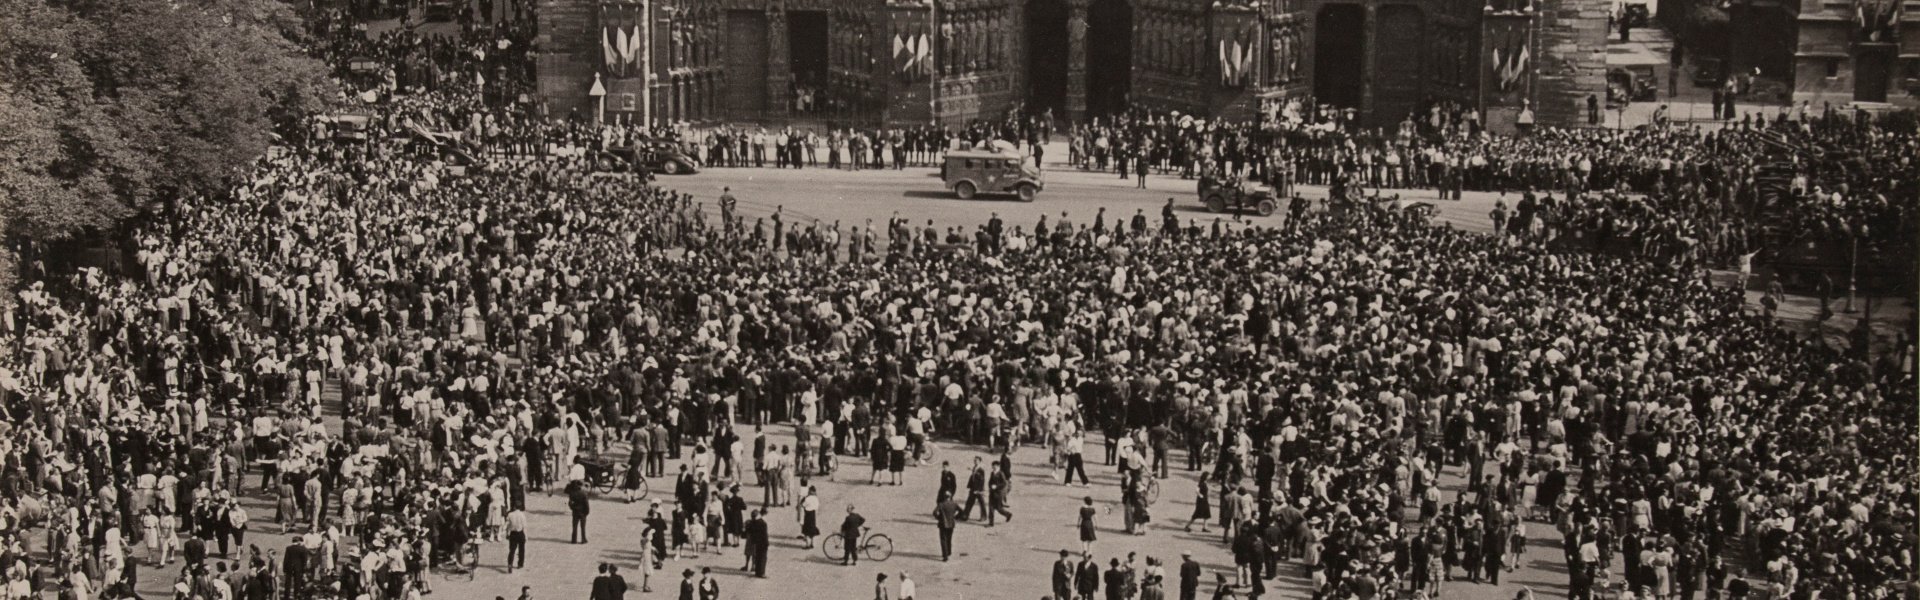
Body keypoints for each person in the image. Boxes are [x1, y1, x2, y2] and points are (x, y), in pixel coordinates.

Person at [934, 492, 961, 561]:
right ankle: (949, 552)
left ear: (944, 497)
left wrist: (939, 518)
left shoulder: (941, 504)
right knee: (949, 538)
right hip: (951, 523)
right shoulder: (954, 504)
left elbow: (934, 512)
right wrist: (955, 517)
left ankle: (945, 556)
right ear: (950, 496)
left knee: (943, 540)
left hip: (943, 524)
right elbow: (961, 511)